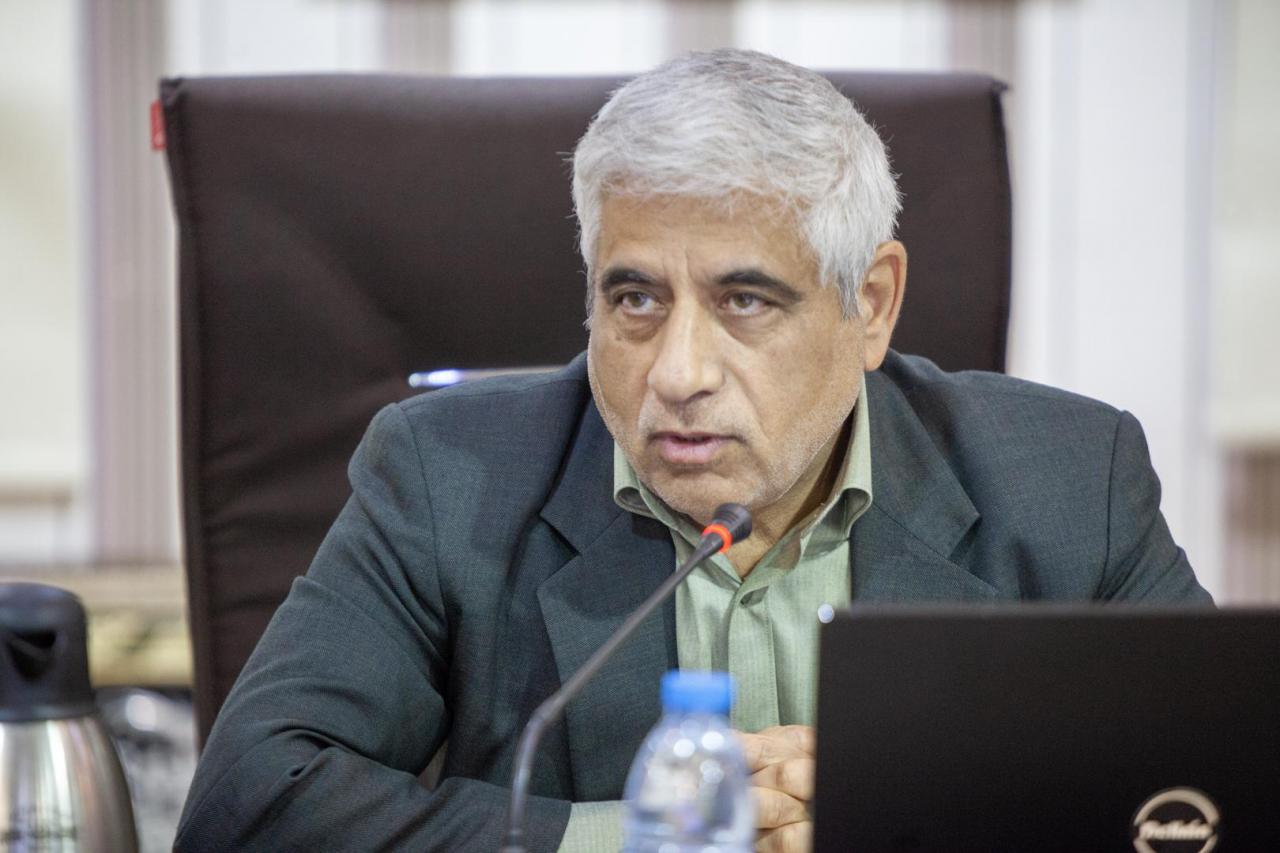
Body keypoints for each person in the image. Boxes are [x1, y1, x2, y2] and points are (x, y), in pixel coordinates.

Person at [175, 49, 1210, 853]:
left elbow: (1220, 789)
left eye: (744, 300)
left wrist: (924, 821)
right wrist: (635, 838)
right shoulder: (444, 476)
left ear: (870, 304)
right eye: (635, 298)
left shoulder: (1069, 480)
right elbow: (250, 806)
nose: (676, 372)